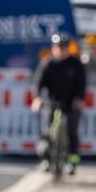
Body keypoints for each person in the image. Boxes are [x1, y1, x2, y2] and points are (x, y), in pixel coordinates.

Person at [33, 33, 87, 174]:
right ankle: (46, 159)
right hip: (52, 103)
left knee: (71, 132)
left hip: (70, 103)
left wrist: (79, 99)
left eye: (63, 48)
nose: (60, 50)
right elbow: (39, 84)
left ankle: (72, 162)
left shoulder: (75, 65)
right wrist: (38, 98)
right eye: (58, 47)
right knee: (47, 132)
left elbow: (82, 84)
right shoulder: (48, 64)